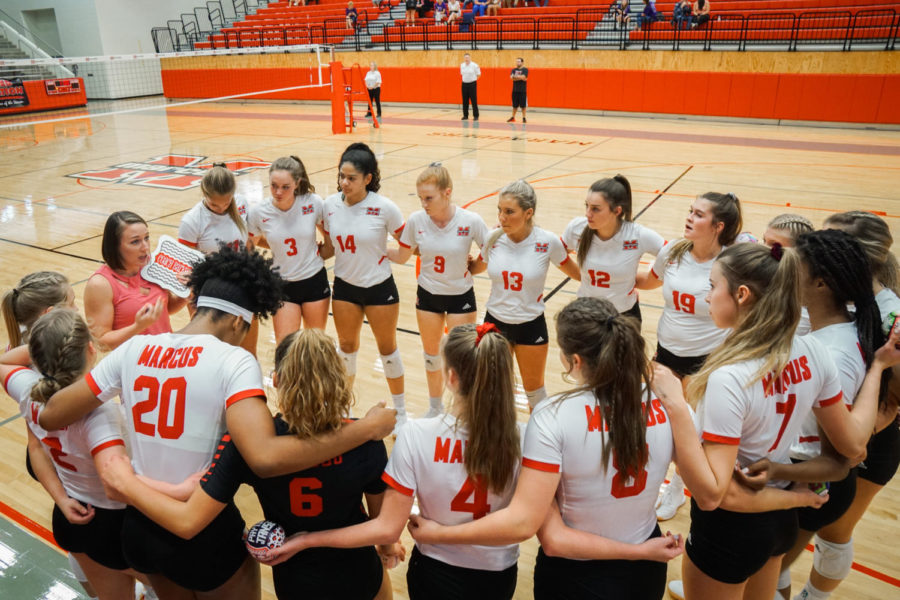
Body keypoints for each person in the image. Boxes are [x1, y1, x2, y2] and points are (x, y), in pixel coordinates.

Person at [38, 245, 396, 598]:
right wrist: (365, 429)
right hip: (203, 529)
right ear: (240, 320)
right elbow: (264, 457)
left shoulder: (136, 348)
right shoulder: (234, 361)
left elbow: (52, 414)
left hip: (141, 526)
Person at [651, 242, 899, 600]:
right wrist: (877, 366)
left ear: (741, 294)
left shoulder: (730, 377)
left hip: (731, 530)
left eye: (712, 287)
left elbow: (715, 495)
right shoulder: (813, 349)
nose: (707, 297)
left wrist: (674, 404)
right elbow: (851, 448)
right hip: (779, 521)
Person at [407, 298, 686, 599]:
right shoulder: (669, 402)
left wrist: (439, 534)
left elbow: (545, 534)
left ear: (574, 362)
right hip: (646, 567)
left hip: (576, 576)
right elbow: (710, 492)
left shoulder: (553, 416)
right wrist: (641, 551)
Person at [99, 329, 394, 600]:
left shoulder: (248, 445)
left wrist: (130, 483)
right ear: (339, 379)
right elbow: (381, 523)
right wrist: (389, 547)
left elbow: (187, 519)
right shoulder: (366, 440)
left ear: (276, 380)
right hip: (359, 573)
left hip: (296, 580)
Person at [255, 323, 522, 599]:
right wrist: (388, 548)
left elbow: (387, 526)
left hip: (296, 578)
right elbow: (384, 528)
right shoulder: (526, 438)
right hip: (490, 573)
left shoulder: (256, 447)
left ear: (451, 377)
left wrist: (301, 540)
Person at [732, 230, 883, 600]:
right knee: (771, 572)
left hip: (810, 480)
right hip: (803, 473)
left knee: (761, 578)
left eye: (792, 267)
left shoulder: (832, 354)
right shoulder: (840, 322)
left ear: (820, 282)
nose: (784, 272)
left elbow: (843, 457)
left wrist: (779, 470)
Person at [0, 310, 178, 600]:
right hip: (119, 522)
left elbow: (3, 360)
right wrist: (181, 490)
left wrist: (60, 498)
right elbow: (116, 483)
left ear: (34, 357)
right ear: (91, 350)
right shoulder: (98, 414)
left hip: (75, 512)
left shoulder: (28, 390)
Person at [783, 210, 900, 600]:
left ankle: (813, 597)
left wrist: (854, 436)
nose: (820, 244)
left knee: (834, 530)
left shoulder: (888, 313)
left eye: (832, 239)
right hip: (835, 427)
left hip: (868, 436)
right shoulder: (840, 308)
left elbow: (893, 399)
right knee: (783, 544)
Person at [636, 192, 741, 520]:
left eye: (698, 214)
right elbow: (649, 281)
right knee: (656, 418)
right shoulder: (673, 251)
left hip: (707, 358)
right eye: (690, 211)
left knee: (690, 430)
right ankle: (653, 480)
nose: (689, 218)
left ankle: (677, 489)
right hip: (666, 351)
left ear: (718, 226)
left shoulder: (730, 264)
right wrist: (606, 278)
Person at [387, 164, 489, 418]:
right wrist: (371, 247)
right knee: (432, 357)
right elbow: (401, 256)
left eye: (429, 197)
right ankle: (435, 408)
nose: (424, 203)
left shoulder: (471, 221)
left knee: (460, 359)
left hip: (460, 297)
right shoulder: (416, 221)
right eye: (421, 198)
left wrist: (472, 269)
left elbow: (489, 254)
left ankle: (462, 410)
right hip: (429, 295)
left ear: (447, 193)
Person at [323, 143, 408, 429]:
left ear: (368, 179)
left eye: (351, 178)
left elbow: (409, 243)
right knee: (346, 348)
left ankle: (402, 412)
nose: (343, 183)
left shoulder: (385, 208)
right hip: (345, 288)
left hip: (379, 288)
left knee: (388, 349)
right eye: (341, 176)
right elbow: (328, 245)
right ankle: (342, 408)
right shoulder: (330, 205)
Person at [481, 179, 581, 409]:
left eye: (509, 212)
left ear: (528, 213)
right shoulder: (492, 238)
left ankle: (540, 441)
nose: (501, 218)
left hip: (531, 324)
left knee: (534, 392)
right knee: (494, 392)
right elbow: (475, 266)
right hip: (494, 324)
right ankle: (498, 442)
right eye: (499, 210)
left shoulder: (547, 242)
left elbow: (579, 275)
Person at [178, 164, 259, 356]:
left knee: (248, 353)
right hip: (208, 292)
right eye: (215, 205)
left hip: (241, 285)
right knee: (211, 354)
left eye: (226, 202)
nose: (222, 208)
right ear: (204, 194)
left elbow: (248, 244)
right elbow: (185, 267)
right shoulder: (191, 221)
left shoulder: (241, 203)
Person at [248, 156, 331, 342]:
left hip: (314, 281)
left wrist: (323, 252)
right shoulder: (258, 213)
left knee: (314, 348)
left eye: (285, 187)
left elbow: (330, 237)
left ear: (297, 183)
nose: (278, 192)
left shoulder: (313, 203)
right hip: (282, 286)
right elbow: (248, 248)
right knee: (285, 349)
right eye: (273, 185)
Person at [562, 175, 664, 324]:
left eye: (595, 209)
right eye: (587, 206)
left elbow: (673, 254)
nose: (587, 213)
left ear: (617, 211)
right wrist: (581, 275)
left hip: (624, 316)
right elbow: (557, 253)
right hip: (586, 313)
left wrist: (648, 280)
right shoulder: (577, 228)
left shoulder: (637, 235)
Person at [84, 211, 188, 351]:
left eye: (147, 238)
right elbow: (101, 342)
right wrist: (137, 327)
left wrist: (187, 294)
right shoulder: (100, 285)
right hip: (131, 364)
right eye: (135, 241)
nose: (145, 247)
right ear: (115, 246)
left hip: (165, 358)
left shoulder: (152, 265)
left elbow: (166, 309)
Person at [762, 213, 814, 336]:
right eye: (764, 240)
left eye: (774, 245)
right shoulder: (766, 273)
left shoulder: (807, 298)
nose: (764, 249)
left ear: (799, 251)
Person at [2, 271, 74, 349]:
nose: (76, 309)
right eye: (71, 304)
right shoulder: (59, 352)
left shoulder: (21, 333)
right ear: (50, 313)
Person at [507, 57, 528, 123]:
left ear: (522, 62)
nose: (517, 63)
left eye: (519, 61)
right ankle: (513, 117)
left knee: (523, 106)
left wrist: (515, 77)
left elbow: (524, 77)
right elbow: (511, 78)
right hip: (515, 90)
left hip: (522, 90)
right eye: (517, 61)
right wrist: (520, 78)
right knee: (514, 105)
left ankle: (524, 118)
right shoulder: (513, 70)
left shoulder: (525, 69)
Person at [460, 53, 481, 121]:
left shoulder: (474, 65)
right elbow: (462, 74)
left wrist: (473, 80)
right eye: (465, 57)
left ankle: (476, 116)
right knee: (465, 101)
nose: (466, 59)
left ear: (470, 58)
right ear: (464, 58)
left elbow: (478, 74)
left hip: (472, 84)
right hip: (464, 84)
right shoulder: (462, 65)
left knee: (473, 100)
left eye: (467, 57)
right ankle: (465, 115)